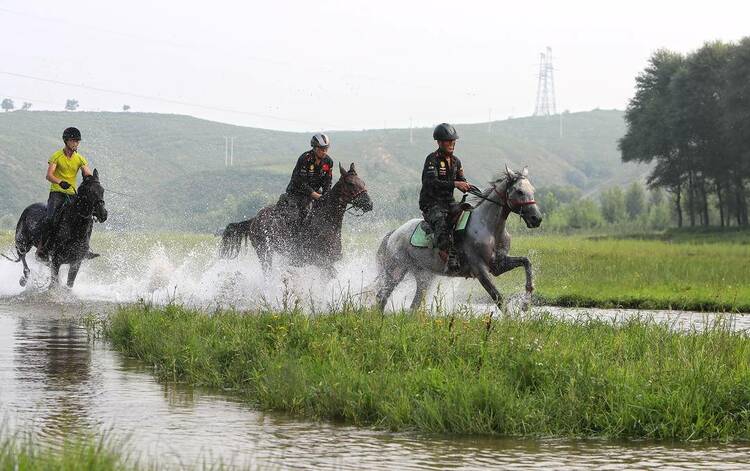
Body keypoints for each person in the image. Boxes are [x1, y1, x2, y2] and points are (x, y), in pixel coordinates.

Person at [418, 123, 473, 272]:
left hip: (449, 202)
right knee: (441, 222)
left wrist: (468, 186)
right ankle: (447, 258)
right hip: (431, 203)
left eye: (453, 141)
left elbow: (462, 179)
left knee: (468, 215)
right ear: (439, 142)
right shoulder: (432, 159)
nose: (452, 144)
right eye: (449, 141)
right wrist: (455, 184)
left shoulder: (456, 161)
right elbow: (431, 182)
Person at [36, 127, 94, 260]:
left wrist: (92, 181)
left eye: (77, 142)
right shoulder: (57, 156)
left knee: (87, 220)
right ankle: (42, 249)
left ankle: (85, 248)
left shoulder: (80, 158)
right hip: (57, 193)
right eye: (74, 141)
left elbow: (88, 173)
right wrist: (60, 182)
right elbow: (49, 175)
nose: (76, 144)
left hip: (73, 195)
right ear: (66, 141)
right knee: (50, 218)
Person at [282, 133, 334, 227]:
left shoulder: (329, 162)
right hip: (296, 192)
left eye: (326, 149)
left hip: (316, 193)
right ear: (315, 148)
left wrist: (326, 196)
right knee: (296, 217)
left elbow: (327, 181)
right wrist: (315, 195)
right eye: (322, 149)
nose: (325, 152)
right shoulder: (305, 158)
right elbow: (299, 182)